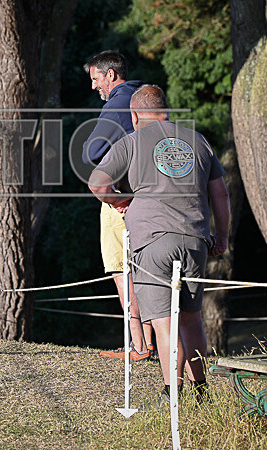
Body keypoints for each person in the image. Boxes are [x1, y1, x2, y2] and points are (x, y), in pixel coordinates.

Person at [89, 85, 230, 404]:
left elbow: (97, 183)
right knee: (191, 319)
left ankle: (171, 395)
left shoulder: (131, 142)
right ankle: (201, 393)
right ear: (165, 110)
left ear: (135, 114)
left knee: (165, 323)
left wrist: (120, 201)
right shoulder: (198, 140)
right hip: (194, 239)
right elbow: (221, 194)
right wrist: (221, 236)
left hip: (151, 242)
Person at [82, 50, 154, 360]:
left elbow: (92, 151)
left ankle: (138, 346)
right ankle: (150, 342)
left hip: (121, 200)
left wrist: (115, 188)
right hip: (153, 197)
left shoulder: (116, 103)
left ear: (111, 75)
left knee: (121, 270)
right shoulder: (146, 98)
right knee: (146, 270)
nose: (94, 86)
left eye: (96, 78)